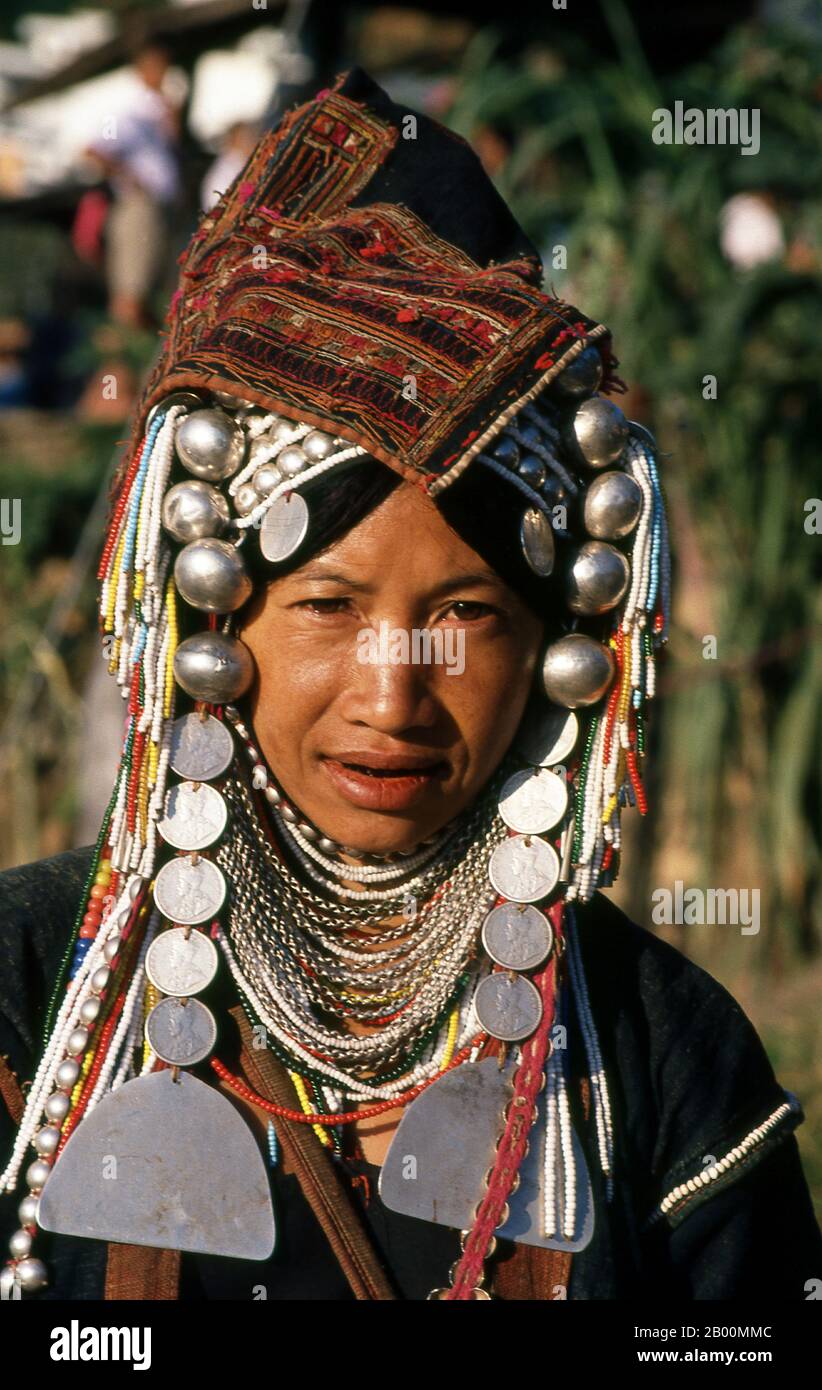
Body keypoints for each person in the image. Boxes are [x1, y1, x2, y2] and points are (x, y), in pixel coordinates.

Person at [1, 69, 820, 1302]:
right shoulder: (23, 997)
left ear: (561, 637)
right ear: (215, 610)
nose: (395, 699)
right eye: (328, 606)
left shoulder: (661, 1054)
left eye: (468, 617)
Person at [84, 41, 181, 330]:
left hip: (157, 207)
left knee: (150, 286)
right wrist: (130, 177)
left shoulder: (155, 110)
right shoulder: (130, 112)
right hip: (139, 207)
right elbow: (94, 149)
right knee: (131, 290)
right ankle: (122, 354)